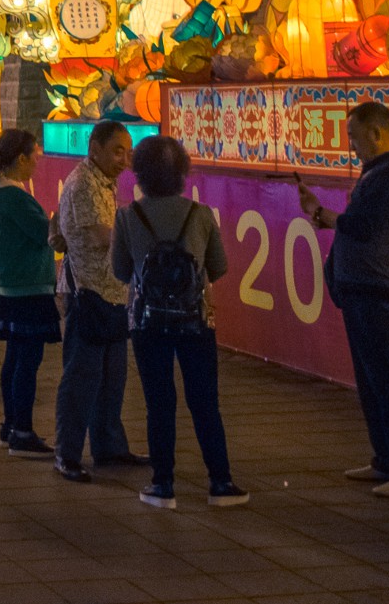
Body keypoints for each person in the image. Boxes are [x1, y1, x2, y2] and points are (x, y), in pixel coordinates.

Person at [298, 99, 389, 498]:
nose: (353, 147)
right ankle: (388, 460)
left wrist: (321, 214)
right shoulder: (379, 173)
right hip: (364, 291)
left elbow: (362, 225)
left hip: (381, 291)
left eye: (355, 138)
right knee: (373, 381)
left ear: (377, 133)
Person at [113, 134, 247, 509]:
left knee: (159, 403)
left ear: (139, 174)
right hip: (196, 321)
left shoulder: (127, 216)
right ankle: (220, 483)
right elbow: (218, 267)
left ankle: (163, 484)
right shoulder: (199, 214)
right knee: (205, 402)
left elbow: (121, 271)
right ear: (183, 172)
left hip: (146, 323)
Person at [52, 120, 140, 484]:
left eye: (128, 151)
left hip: (112, 293)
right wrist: (143, 234)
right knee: (81, 379)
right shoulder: (84, 184)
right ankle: (67, 454)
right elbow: (103, 236)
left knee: (111, 379)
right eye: (117, 151)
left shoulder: (104, 181)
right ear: (95, 149)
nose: (124, 159)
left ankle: (109, 447)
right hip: (88, 294)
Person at [0, 128, 57, 458]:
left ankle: (11, 426)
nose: (37, 164)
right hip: (28, 287)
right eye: (35, 158)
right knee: (27, 361)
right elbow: (45, 234)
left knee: (15, 359)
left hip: (12, 285)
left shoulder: (0, 193)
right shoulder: (13, 195)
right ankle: (22, 432)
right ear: (22, 159)